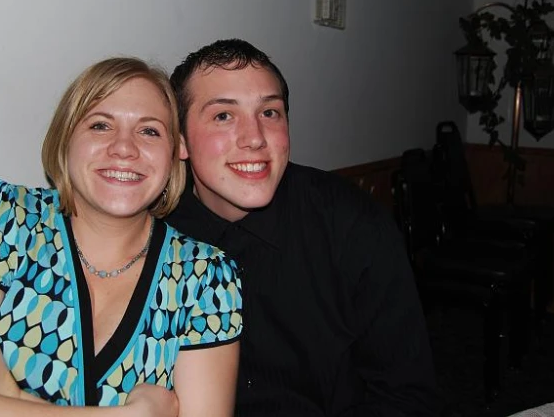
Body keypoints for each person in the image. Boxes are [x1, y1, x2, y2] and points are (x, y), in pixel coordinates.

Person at [0, 58, 243, 417]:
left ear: (176, 151)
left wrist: (9, 394)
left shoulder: (206, 278)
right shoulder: (3, 219)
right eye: (100, 125)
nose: (124, 148)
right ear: (66, 138)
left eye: (149, 131)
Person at [163, 39, 442, 416]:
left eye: (270, 112)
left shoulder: (352, 225)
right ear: (180, 141)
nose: (255, 138)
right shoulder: (154, 235)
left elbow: (407, 396)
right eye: (223, 116)